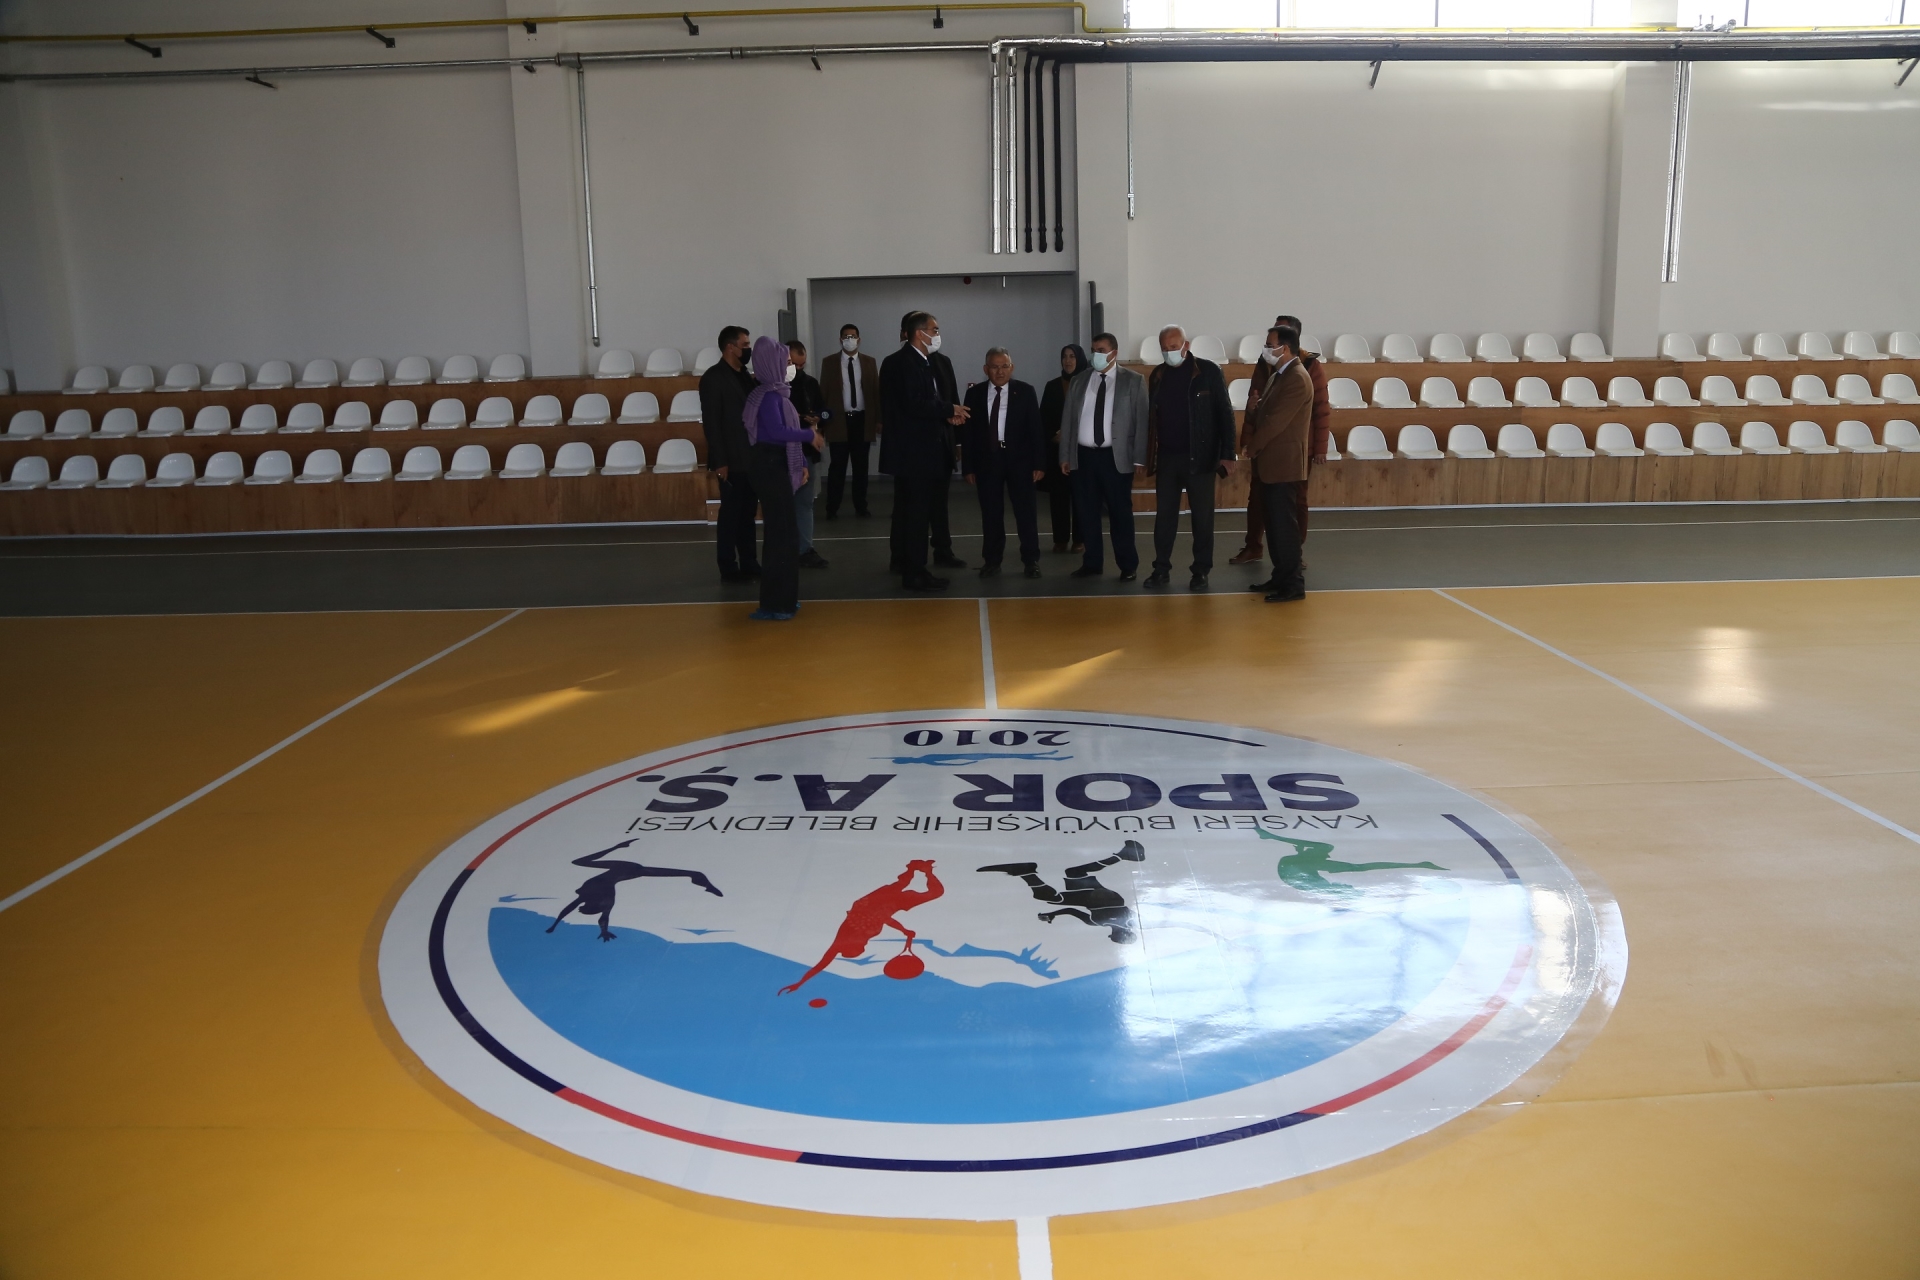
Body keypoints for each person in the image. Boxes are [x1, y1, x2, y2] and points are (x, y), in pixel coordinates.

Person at [1231, 312, 1329, 566]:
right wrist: (1249, 435)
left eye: (1272, 342)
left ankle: (1294, 555)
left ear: (1289, 342)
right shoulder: (1269, 367)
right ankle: (1255, 547)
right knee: (1259, 499)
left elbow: (1320, 409)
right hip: (1265, 448)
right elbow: (1257, 403)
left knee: (1294, 503)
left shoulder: (1306, 368)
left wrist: (1320, 447)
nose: (1267, 348)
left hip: (1293, 449)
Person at [1143, 325, 1236, 590]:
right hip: (1167, 458)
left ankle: (1201, 571)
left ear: (1186, 345)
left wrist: (1228, 454)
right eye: (1164, 348)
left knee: (1202, 519)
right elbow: (1152, 418)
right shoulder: (1157, 375)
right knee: (1164, 518)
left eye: (1174, 347)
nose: (1169, 352)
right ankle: (1161, 569)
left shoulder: (1209, 371)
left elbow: (1225, 414)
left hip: (1201, 457)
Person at [880, 311, 968, 591]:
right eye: (935, 329)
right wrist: (948, 409)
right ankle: (914, 571)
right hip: (913, 453)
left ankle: (917, 566)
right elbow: (913, 404)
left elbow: (935, 400)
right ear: (920, 333)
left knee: (923, 511)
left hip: (931, 450)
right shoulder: (900, 363)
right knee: (915, 514)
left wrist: (949, 416)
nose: (938, 334)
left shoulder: (928, 362)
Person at [741, 335, 826, 620]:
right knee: (780, 535)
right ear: (772, 364)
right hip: (768, 467)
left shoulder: (779, 394)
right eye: (787, 362)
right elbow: (778, 432)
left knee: (787, 534)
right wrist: (809, 435)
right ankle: (776, 603)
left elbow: (786, 437)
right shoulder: (767, 397)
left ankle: (785, 599)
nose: (791, 368)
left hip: (776, 464)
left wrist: (800, 463)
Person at [777, 859, 944, 995]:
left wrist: (904, 930)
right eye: (863, 947)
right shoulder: (859, 939)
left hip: (874, 902)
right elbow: (821, 966)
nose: (864, 944)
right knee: (924, 890)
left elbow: (884, 919)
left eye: (859, 947)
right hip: (885, 906)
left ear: (851, 945)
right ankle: (921, 869)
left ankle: (917, 868)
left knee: (909, 886)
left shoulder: (843, 938)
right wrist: (800, 983)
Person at [1059, 332, 1147, 581]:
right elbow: (1068, 420)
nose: (1095, 354)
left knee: (1120, 513)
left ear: (1114, 353)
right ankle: (1092, 562)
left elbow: (1142, 421)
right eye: (1093, 349)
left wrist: (1139, 458)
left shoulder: (1133, 381)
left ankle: (1127, 565)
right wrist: (1065, 454)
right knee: (1086, 513)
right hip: (1083, 457)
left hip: (1116, 458)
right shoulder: (1079, 380)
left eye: (1100, 350)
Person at [1243, 325, 1314, 603]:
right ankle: (1280, 576)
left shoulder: (1297, 377)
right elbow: (1265, 413)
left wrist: (1252, 446)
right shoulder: (1279, 375)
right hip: (1271, 465)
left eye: (1269, 344)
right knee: (1273, 525)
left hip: (1284, 465)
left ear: (1285, 348)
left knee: (1284, 527)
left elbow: (1276, 422)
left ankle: (1293, 583)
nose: (1266, 349)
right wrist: (1253, 408)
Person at [961, 347, 1046, 578]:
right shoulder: (974, 394)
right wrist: (968, 466)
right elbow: (968, 434)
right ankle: (992, 560)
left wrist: (1039, 463)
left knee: (1026, 512)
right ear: (985, 369)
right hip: (988, 461)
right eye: (995, 367)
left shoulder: (1026, 391)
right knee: (991, 513)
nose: (1000, 372)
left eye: (1005, 366)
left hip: (1021, 461)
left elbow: (1036, 430)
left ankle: (1031, 560)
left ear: (1012, 367)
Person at [545, 839, 724, 942]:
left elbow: (593, 915)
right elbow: (572, 909)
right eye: (583, 908)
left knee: (688, 873)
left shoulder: (604, 901)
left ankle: (707, 885)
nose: (579, 907)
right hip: (628, 870)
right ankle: (706, 885)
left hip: (631, 871)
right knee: (689, 873)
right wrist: (555, 924)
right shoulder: (593, 896)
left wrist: (555, 926)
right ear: (588, 906)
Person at [699, 325, 761, 583]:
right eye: (744, 345)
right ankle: (727, 566)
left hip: (750, 456)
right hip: (730, 460)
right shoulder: (713, 378)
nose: (748, 349)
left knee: (748, 514)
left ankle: (749, 562)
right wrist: (720, 461)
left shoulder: (746, 376)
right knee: (730, 516)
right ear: (730, 347)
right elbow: (712, 423)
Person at [818, 323, 881, 519]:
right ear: (840, 340)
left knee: (861, 467)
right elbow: (823, 393)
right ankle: (832, 508)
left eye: (853, 336)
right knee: (837, 466)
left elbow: (876, 392)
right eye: (846, 336)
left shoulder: (869, 362)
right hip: (838, 421)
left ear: (859, 340)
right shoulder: (829, 362)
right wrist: (822, 422)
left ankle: (861, 506)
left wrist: (879, 419)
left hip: (862, 420)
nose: (850, 339)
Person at [1038, 344, 1087, 553]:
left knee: (1081, 497)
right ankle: (1060, 539)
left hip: (1082, 451)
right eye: (1065, 356)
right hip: (1058, 451)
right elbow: (1043, 418)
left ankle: (1080, 539)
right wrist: (1053, 435)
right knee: (1058, 497)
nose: (1068, 361)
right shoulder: (1052, 386)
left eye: (1072, 356)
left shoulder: (1089, 384)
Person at [786, 340, 830, 570]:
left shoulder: (810, 383)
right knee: (785, 505)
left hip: (807, 451)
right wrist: (801, 420)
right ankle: (787, 549)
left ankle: (805, 548)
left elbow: (825, 410)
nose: (798, 369)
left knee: (805, 502)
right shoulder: (774, 388)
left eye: (802, 365)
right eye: (794, 364)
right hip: (784, 452)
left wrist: (819, 418)